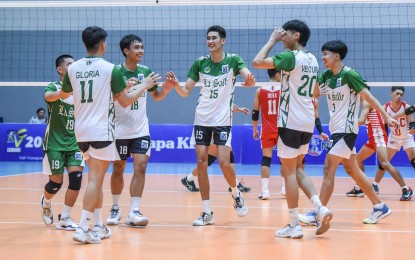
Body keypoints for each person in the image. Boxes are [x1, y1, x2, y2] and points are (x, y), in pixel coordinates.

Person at [60, 26, 160, 244]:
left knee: (95, 178)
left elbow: (65, 93)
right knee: (95, 180)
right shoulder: (110, 69)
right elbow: (124, 100)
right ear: (103, 44)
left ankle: (98, 225)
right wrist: (143, 85)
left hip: (80, 131)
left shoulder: (73, 68)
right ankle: (84, 228)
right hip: (102, 130)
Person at [166, 25, 255, 226]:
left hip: (222, 120)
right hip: (202, 119)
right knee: (201, 164)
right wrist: (175, 86)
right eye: (208, 38)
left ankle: (236, 193)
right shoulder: (200, 63)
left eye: (214, 38)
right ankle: (207, 212)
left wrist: (249, 80)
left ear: (222, 41)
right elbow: (186, 91)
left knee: (224, 163)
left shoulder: (233, 60)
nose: (210, 41)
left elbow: (248, 78)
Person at [252, 20, 330, 239]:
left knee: (288, 173)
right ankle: (319, 207)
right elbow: (315, 92)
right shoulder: (313, 59)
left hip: (290, 121)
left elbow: (256, 62)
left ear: (296, 36)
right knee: (297, 169)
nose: (282, 37)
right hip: (306, 121)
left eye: (285, 34)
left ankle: (294, 224)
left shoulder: (290, 57)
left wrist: (271, 40)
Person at [311, 40, 397, 229]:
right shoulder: (326, 75)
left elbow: (368, 97)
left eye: (326, 54)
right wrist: (314, 77)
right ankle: (380, 206)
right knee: (353, 170)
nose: (323, 57)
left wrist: (386, 116)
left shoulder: (350, 74)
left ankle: (318, 211)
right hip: (335, 129)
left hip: (347, 129)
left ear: (337, 56)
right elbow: (315, 94)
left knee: (328, 168)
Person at [106, 34, 172, 226]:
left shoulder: (145, 71)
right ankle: (116, 207)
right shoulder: (116, 72)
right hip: (119, 129)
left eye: (142, 47)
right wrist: (136, 88)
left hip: (140, 129)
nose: (141, 50)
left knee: (141, 166)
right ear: (126, 51)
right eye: (136, 47)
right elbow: (119, 100)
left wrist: (166, 89)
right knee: (118, 168)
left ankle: (134, 211)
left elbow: (156, 96)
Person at [40, 54, 84, 231]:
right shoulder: (54, 87)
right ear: (60, 69)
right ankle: (46, 201)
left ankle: (65, 218)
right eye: (70, 64)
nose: (74, 67)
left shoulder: (81, 89)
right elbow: (48, 97)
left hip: (75, 142)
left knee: (76, 179)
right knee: (55, 184)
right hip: (54, 143)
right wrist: (65, 92)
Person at [345, 93, 413, 201]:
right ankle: (359, 188)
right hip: (372, 138)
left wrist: (345, 124)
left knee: (385, 163)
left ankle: (406, 188)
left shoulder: (367, 102)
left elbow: (361, 120)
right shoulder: (368, 101)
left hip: (378, 136)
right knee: (357, 159)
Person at [180, 103, 252, 193]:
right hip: (211, 126)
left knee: (211, 158)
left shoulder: (222, 96)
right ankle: (234, 184)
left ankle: (189, 179)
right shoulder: (211, 97)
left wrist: (238, 109)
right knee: (227, 154)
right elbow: (219, 104)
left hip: (217, 125)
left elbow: (225, 104)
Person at [366, 87, 415, 200]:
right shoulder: (385, 107)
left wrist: (413, 128)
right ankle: (375, 185)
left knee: (414, 161)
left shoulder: (405, 106)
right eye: (397, 93)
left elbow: (412, 122)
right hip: (393, 138)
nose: (399, 96)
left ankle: (406, 189)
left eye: (401, 94)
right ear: (391, 93)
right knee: (384, 162)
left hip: (407, 137)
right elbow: (382, 123)